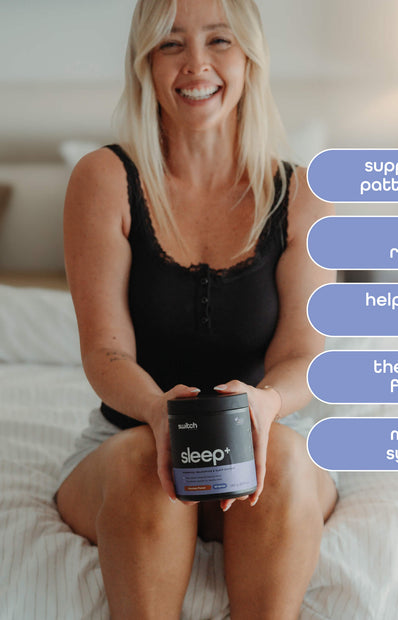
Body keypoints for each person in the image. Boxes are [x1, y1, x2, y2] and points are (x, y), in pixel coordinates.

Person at [55, 0, 337, 617]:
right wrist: (160, 413)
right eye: (171, 44)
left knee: (286, 456)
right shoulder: (103, 180)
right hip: (129, 438)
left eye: (219, 41)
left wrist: (264, 407)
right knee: (145, 467)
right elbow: (105, 353)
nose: (196, 65)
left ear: (249, 60)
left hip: (266, 445)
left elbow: (303, 356)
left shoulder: (304, 196)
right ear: (145, 64)